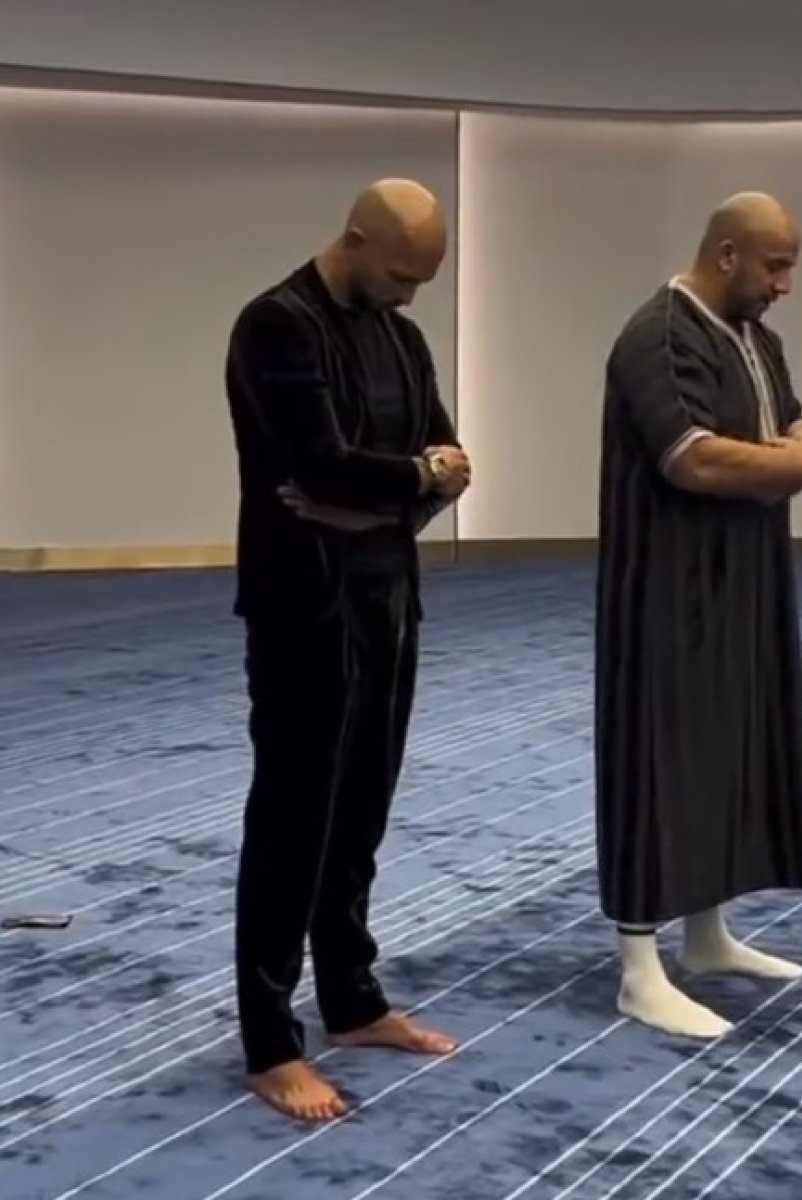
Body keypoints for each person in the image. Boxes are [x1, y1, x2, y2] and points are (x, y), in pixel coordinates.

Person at [224, 178, 471, 1120]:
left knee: (363, 804)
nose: (412, 295)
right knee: (294, 817)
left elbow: (449, 461)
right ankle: (269, 1041)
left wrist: (386, 497)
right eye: (403, 275)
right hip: (303, 606)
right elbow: (318, 466)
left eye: (424, 281)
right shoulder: (276, 327)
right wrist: (413, 479)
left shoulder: (401, 338)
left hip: (387, 598)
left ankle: (353, 1001)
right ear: (357, 240)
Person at [594, 191, 802, 1039]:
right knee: (656, 758)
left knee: (726, 747)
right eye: (776, 266)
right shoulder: (658, 336)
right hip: (664, 590)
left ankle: (706, 938)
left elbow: (790, 427)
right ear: (728, 254)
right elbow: (695, 460)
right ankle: (639, 969)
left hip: (743, 581)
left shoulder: (756, 340)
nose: (786, 285)